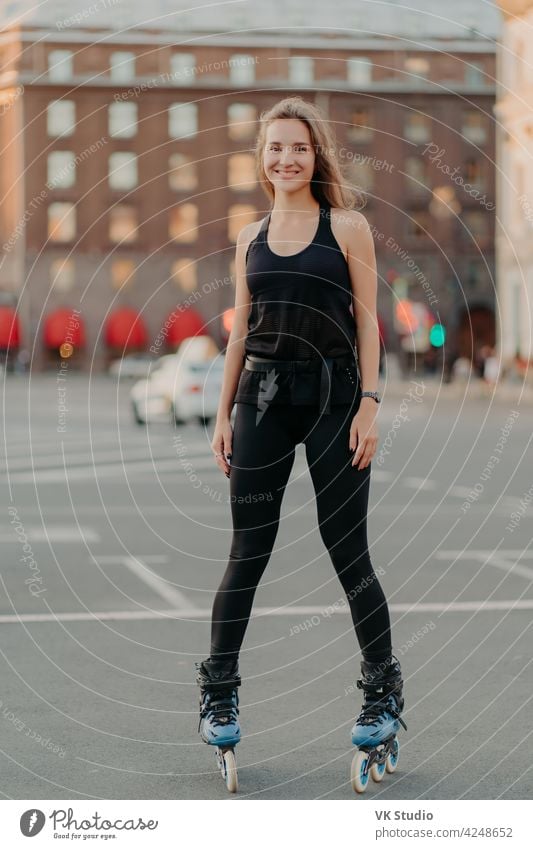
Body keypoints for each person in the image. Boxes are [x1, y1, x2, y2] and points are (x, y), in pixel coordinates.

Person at [195, 96, 406, 760]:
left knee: (348, 553)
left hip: (334, 396)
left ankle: (382, 691)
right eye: (275, 148)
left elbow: (368, 320)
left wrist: (370, 401)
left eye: (299, 148)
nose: (286, 158)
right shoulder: (248, 236)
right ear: (262, 159)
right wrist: (224, 414)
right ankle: (218, 690)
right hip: (261, 397)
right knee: (245, 553)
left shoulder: (346, 227)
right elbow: (239, 332)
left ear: (315, 158)